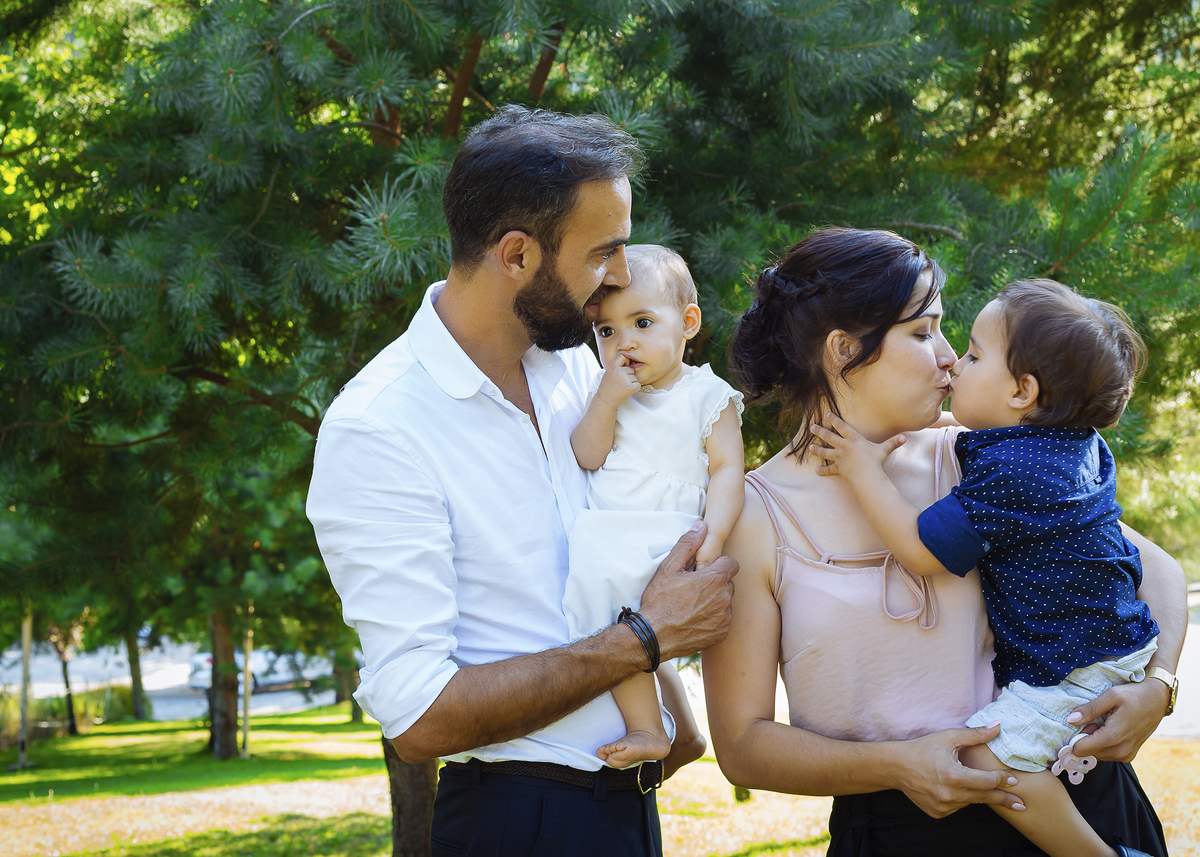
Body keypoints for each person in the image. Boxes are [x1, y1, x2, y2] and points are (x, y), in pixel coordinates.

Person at [306, 106, 738, 857]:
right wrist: (646, 638)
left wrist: (674, 716)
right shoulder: (378, 427)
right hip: (517, 823)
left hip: (627, 805)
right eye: (603, 252)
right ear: (516, 254)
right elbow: (419, 719)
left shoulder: (586, 363)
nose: (621, 276)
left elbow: (606, 554)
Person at [701, 227, 1186, 857]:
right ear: (844, 350)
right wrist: (901, 765)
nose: (951, 357)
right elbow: (743, 747)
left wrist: (1160, 687)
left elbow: (1159, 572)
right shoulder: (752, 515)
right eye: (924, 332)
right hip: (901, 836)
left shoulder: (980, 455)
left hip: (1079, 807)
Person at [809, 278, 1160, 857]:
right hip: (1114, 643)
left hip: (1074, 672)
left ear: (1023, 391)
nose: (954, 363)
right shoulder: (1072, 445)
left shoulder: (1017, 474)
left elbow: (922, 551)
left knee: (986, 756)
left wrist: (860, 470)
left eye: (973, 354)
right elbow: (977, 441)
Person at [565, 244, 745, 768]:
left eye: (643, 323)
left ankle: (652, 729)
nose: (626, 343)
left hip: (666, 533)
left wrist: (713, 537)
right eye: (607, 331)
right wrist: (606, 400)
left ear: (687, 322)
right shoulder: (611, 395)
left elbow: (727, 470)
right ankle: (661, 729)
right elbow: (587, 454)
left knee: (625, 622)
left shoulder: (707, 393)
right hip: (613, 530)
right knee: (611, 626)